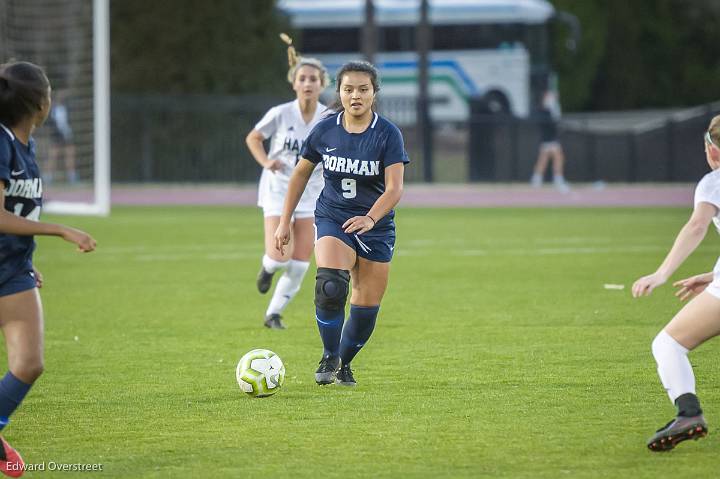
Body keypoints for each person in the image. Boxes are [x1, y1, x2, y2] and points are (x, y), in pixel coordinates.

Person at [274, 61, 409, 387]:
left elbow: (395, 189)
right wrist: (285, 221)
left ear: (374, 92)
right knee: (330, 286)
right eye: (349, 89)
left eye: (363, 89)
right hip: (333, 217)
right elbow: (300, 175)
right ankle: (329, 354)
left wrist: (370, 218)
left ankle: (345, 363)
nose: (355, 95)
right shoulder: (325, 129)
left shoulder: (388, 134)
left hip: (375, 227)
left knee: (365, 307)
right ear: (340, 92)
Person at [0, 61, 96, 476]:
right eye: (50, 90)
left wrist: (28, 257)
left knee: (29, 363)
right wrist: (59, 229)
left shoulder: (27, 146)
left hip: (13, 268)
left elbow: (19, 211)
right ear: (40, 102)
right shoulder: (1, 142)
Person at [631, 115, 720, 451]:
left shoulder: (714, 182)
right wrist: (712, 275)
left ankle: (688, 413)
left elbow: (697, 226)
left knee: (667, 345)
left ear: (712, 151)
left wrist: (661, 273)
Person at [246, 34, 329, 330]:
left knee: (300, 262)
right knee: (280, 258)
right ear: (294, 83)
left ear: (322, 84)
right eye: (303, 78)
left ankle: (273, 314)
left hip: (312, 194)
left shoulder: (329, 117)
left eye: (313, 79)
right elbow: (254, 138)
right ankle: (268, 269)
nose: (308, 83)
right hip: (278, 189)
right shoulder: (280, 114)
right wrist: (266, 161)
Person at [530, 90, 569, 193]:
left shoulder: (552, 109)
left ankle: (538, 179)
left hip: (551, 137)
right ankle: (557, 179)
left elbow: (556, 123)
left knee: (547, 158)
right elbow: (549, 122)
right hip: (548, 138)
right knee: (553, 157)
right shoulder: (544, 110)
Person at [46, 89, 77, 184]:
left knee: (70, 155)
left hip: (67, 136)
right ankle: (48, 177)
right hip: (57, 136)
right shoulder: (52, 109)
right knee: (53, 156)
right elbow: (50, 124)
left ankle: (72, 176)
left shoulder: (67, 107)